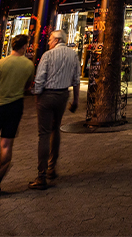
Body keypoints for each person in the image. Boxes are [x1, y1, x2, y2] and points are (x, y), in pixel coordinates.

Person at [0, 34, 35, 198]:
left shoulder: (0, 63)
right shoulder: (29, 65)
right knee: (7, 143)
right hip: (16, 106)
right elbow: (28, 86)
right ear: (24, 46)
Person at [29, 29, 81, 190]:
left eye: (51, 39)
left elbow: (40, 79)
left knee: (43, 134)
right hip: (62, 95)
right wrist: (76, 100)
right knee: (55, 129)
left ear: (57, 40)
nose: (49, 42)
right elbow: (76, 79)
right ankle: (52, 166)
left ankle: (41, 175)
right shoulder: (73, 55)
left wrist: (37, 97)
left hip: (47, 95)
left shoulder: (48, 55)